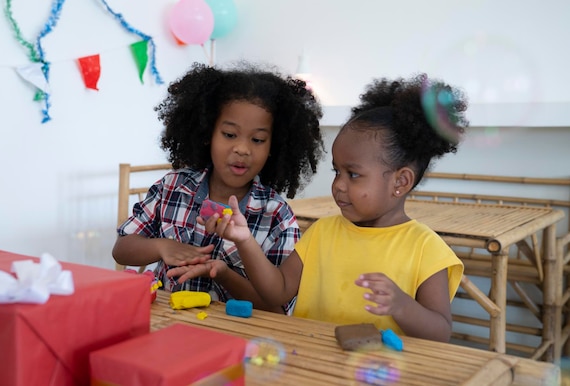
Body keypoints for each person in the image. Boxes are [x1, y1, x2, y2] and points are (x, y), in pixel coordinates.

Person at [172, 74, 468, 342]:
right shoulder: (322, 232)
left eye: (353, 174)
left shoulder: (426, 249)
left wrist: (403, 306)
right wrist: (245, 240)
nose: (338, 185)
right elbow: (276, 291)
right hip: (310, 365)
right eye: (336, 172)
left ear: (400, 181)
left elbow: (441, 331)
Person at [112, 62, 324, 313]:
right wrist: (160, 246)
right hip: (168, 327)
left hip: (236, 339)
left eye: (257, 140)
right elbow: (121, 250)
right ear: (207, 134)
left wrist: (223, 274)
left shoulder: (277, 215)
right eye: (230, 134)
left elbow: (277, 310)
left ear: (273, 149)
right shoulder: (172, 187)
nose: (242, 149)